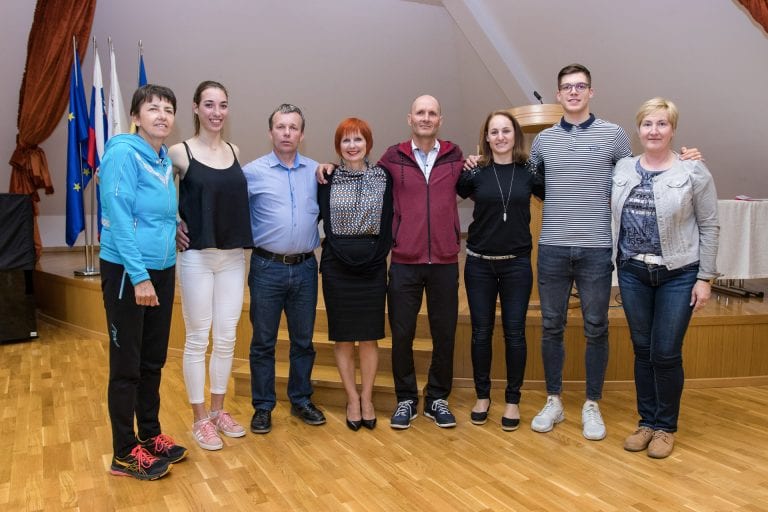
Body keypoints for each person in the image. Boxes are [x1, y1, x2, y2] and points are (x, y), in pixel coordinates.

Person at [463, 64, 700, 441]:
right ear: (558, 94)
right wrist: (478, 161)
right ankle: (553, 400)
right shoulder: (543, 142)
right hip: (552, 248)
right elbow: (522, 178)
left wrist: (682, 160)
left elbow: (641, 169)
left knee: (596, 327)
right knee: (551, 327)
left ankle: (592, 403)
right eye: (567, 87)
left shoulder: (614, 135)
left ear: (591, 92)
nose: (573, 92)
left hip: (596, 249)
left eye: (580, 86)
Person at [318, 95, 464, 429]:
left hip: (432, 260)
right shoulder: (386, 162)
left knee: (443, 333)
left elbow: (472, 184)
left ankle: (437, 398)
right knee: (401, 334)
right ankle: (404, 399)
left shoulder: (452, 157)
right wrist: (322, 166)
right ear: (409, 118)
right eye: (420, 112)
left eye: (431, 113)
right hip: (393, 262)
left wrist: (476, 161)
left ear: (439, 119)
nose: (425, 117)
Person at [612, 98, 718, 458]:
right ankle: (646, 422)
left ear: (673, 130)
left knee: (666, 352)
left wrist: (705, 278)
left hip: (679, 273)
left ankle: (665, 428)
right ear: (638, 129)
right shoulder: (623, 168)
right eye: (647, 124)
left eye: (662, 124)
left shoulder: (693, 171)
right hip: (632, 272)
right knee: (642, 350)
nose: (654, 131)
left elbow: (709, 225)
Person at [99, 84, 187, 480]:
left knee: (153, 360)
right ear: (135, 117)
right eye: (153, 108)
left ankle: (150, 435)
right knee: (127, 366)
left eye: (168, 109)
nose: (162, 115)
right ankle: (123, 452)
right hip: (128, 272)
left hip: (163, 268)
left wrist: (175, 225)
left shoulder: (162, 158)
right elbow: (119, 218)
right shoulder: (122, 153)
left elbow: (156, 211)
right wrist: (139, 277)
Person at [170, 81, 253, 451]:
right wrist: (172, 222)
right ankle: (200, 419)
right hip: (197, 257)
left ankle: (219, 411)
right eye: (209, 104)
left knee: (226, 336)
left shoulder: (235, 151)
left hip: (232, 257)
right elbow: (156, 192)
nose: (216, 112)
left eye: (222, 104)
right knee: (197, 337)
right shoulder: (179, 152)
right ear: (195, 108)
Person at [457, 111, 544, 431]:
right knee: (481, 333)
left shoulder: (530, 170)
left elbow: (560, 190)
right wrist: (466, 163)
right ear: (486, 137)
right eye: (494, 132)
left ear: (515, 135)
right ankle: (482, 396)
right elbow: (445, 194)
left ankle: (512, 400)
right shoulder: (474, 171)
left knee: (515, 333)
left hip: (516, 265)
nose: (500, 137)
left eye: (506, 131)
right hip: (479, 264)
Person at [243, 104, 325, 434]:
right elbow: (227, 208)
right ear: (270, 132)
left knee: (303, 341)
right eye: (281, 127)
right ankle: (263, 407)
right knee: (263, 342)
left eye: (293, 127)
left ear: (302, 134)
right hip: (267, 268)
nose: (287, 133)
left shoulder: (318, 171)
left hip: (305, 268)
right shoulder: (251, 173)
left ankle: (301, 399)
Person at [317, 118, 393, 431]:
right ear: (338, 146)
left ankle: (367, 398)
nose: (352, 146)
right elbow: (324, 223)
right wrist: (342, 255)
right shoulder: (326, 178)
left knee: (370, 337)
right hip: (337, 266)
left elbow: (388, 223)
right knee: (344, 338)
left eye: (358, 139)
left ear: (368, 143)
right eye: (346, 140)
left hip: (373, 265)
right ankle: (352, 399)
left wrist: (376, 257)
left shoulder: (383, 176)